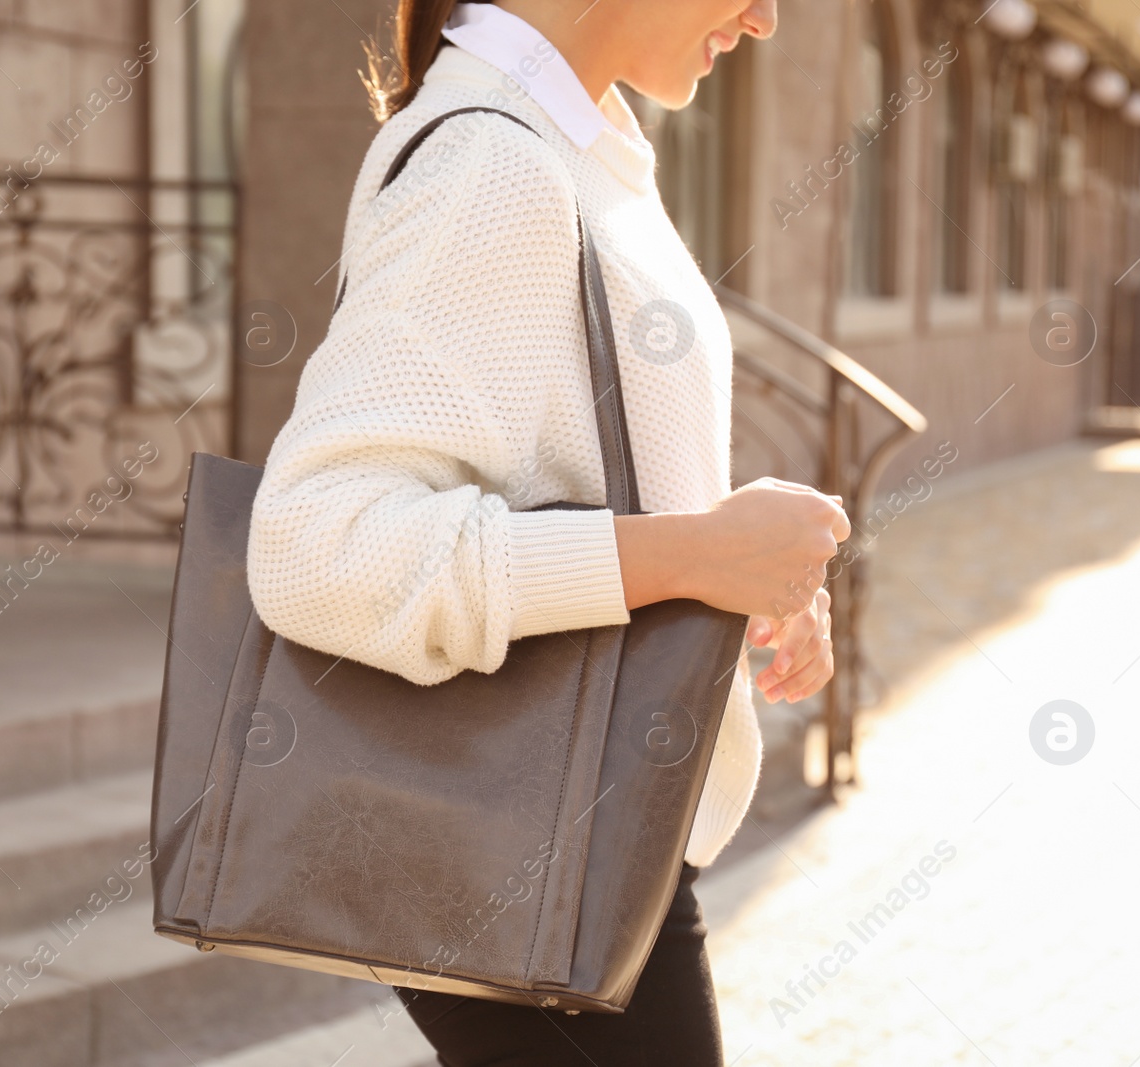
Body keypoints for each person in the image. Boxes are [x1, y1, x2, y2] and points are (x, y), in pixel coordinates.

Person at [246, 1, 848, 1062]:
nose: (764, 17)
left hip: (589, 828)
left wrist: (730, 570)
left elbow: (559, 473)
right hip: (524, 836)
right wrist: (693, 556)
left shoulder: (573, 144)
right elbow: (315, 546)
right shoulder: (492, 158)